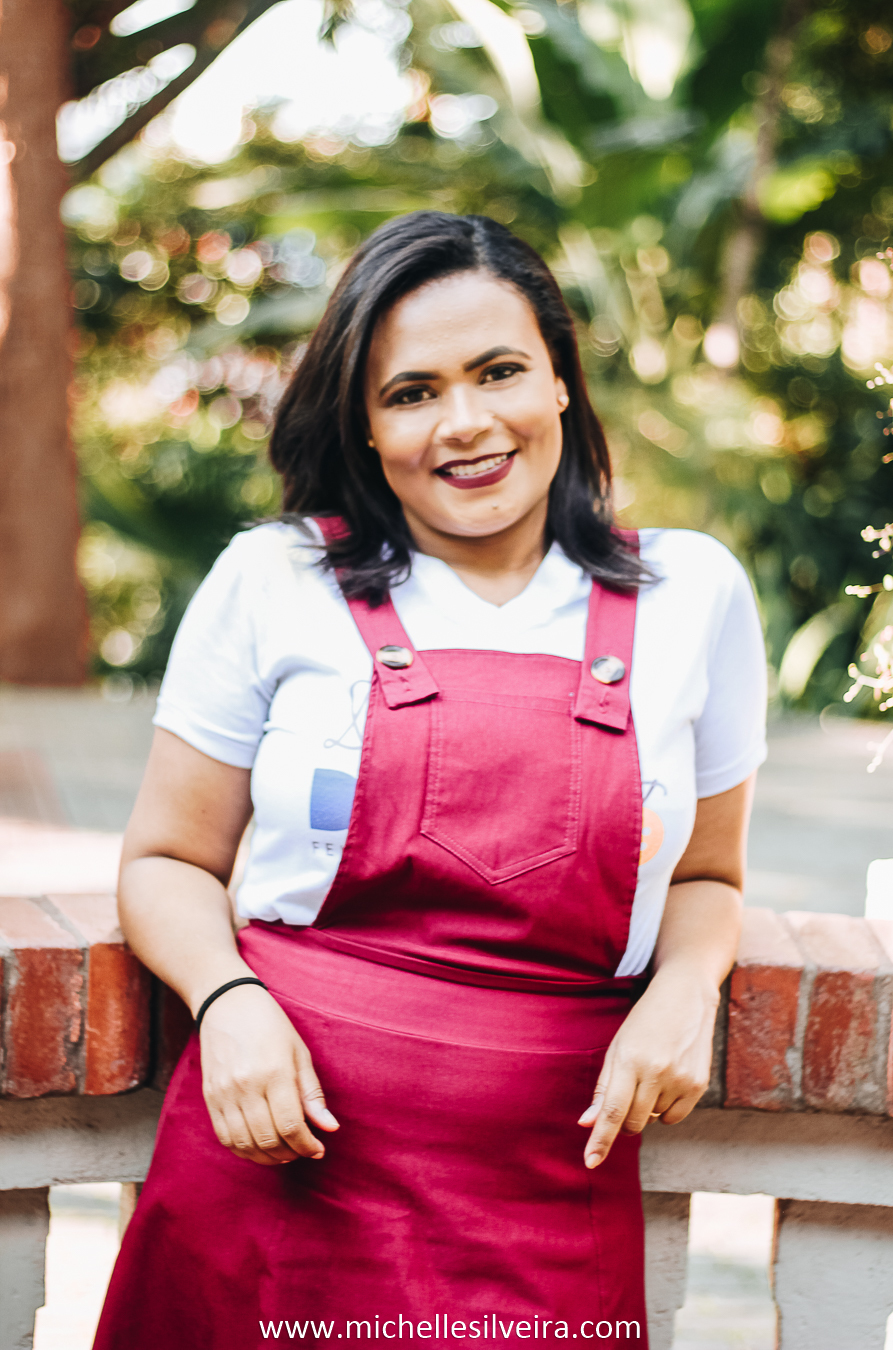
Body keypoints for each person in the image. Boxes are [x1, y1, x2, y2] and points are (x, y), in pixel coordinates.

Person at [92, 211, 766, 1349]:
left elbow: (709, 877)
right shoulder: (275, 579)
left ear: (559, 379)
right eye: (411, 392)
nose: (465, 424)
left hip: (551, 1190)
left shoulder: (692, 595)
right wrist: (231, 1000)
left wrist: (686, 990)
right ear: (362, 421)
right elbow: (166, 860)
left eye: (499, 371)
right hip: (275, 1177)